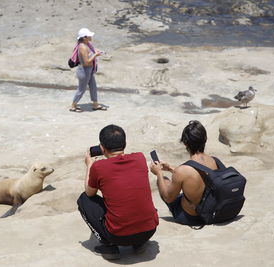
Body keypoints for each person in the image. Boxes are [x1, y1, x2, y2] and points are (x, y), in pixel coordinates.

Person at [77, 125, 158, 260]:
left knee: (83, 200)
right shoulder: (140, 158)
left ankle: (109, 246)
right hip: (149, 231)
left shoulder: (99, 167)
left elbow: (89, 193)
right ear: (125, 144)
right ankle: (138, 244)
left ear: (102, 148)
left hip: (118, 236)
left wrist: (90, 165)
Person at [150, 120, 216, 226]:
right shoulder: (214, 160)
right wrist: (171, 168)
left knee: (165, 181)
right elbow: (196, 173)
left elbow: (168, 197)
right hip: (210, 211)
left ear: (185, 143)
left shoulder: (183, 170)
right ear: (205, 139)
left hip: (192, 217)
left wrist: (158, 173)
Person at [69, 28, 107, 112]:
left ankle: (95, 104)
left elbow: (89, 55)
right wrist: (95, 55)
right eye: (89, 35)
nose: (91, 37)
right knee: (81, 89)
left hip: (88, 70)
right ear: (85, 37)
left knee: (93, 86)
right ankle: (73, 106)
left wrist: (95, 53)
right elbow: (86, 63)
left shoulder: (87, 45)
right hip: (84, 71)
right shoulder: (82, 47)